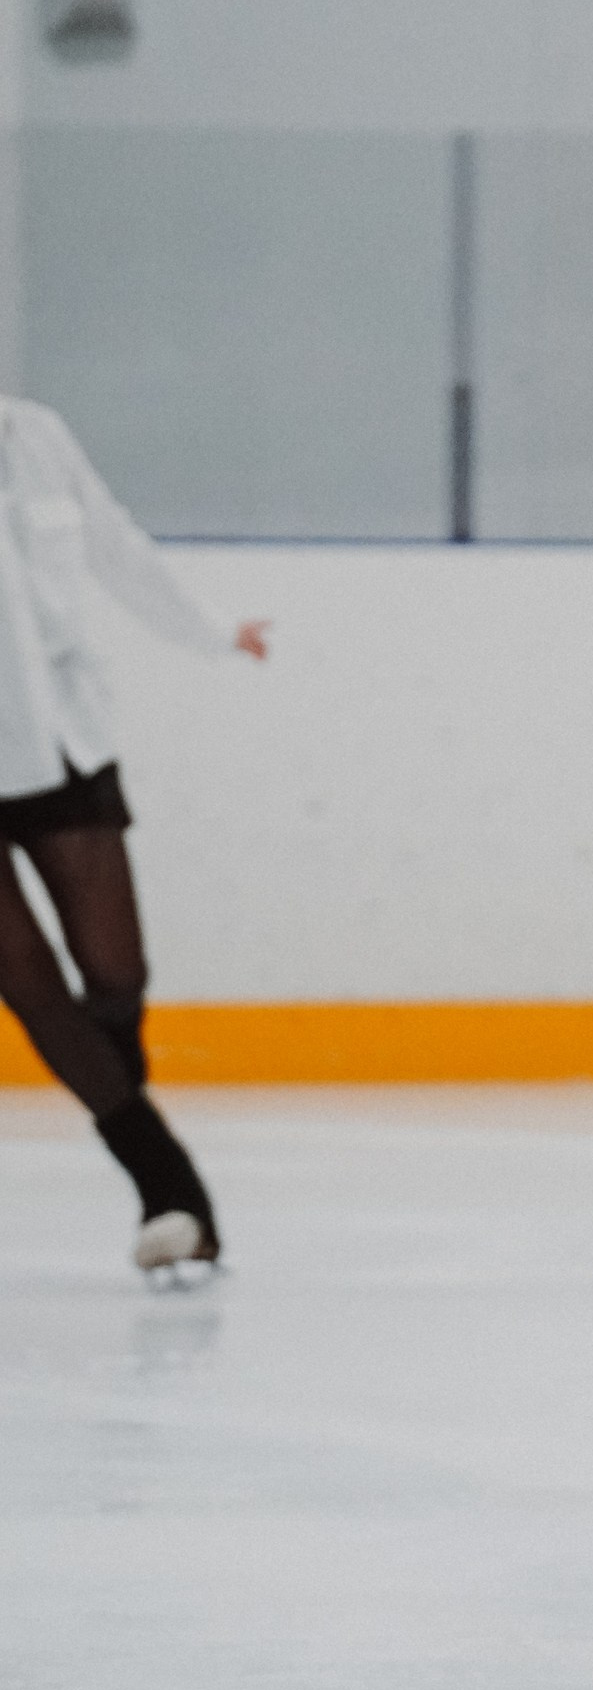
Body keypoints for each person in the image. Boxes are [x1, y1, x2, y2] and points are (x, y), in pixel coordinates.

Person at [0, 395, 268, 1273]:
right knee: (31, 987)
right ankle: (171, 1189)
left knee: (117, 973)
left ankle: (131, 1121)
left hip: (61, 737)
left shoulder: (34, 435)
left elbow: (110, 541)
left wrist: (210, 630)